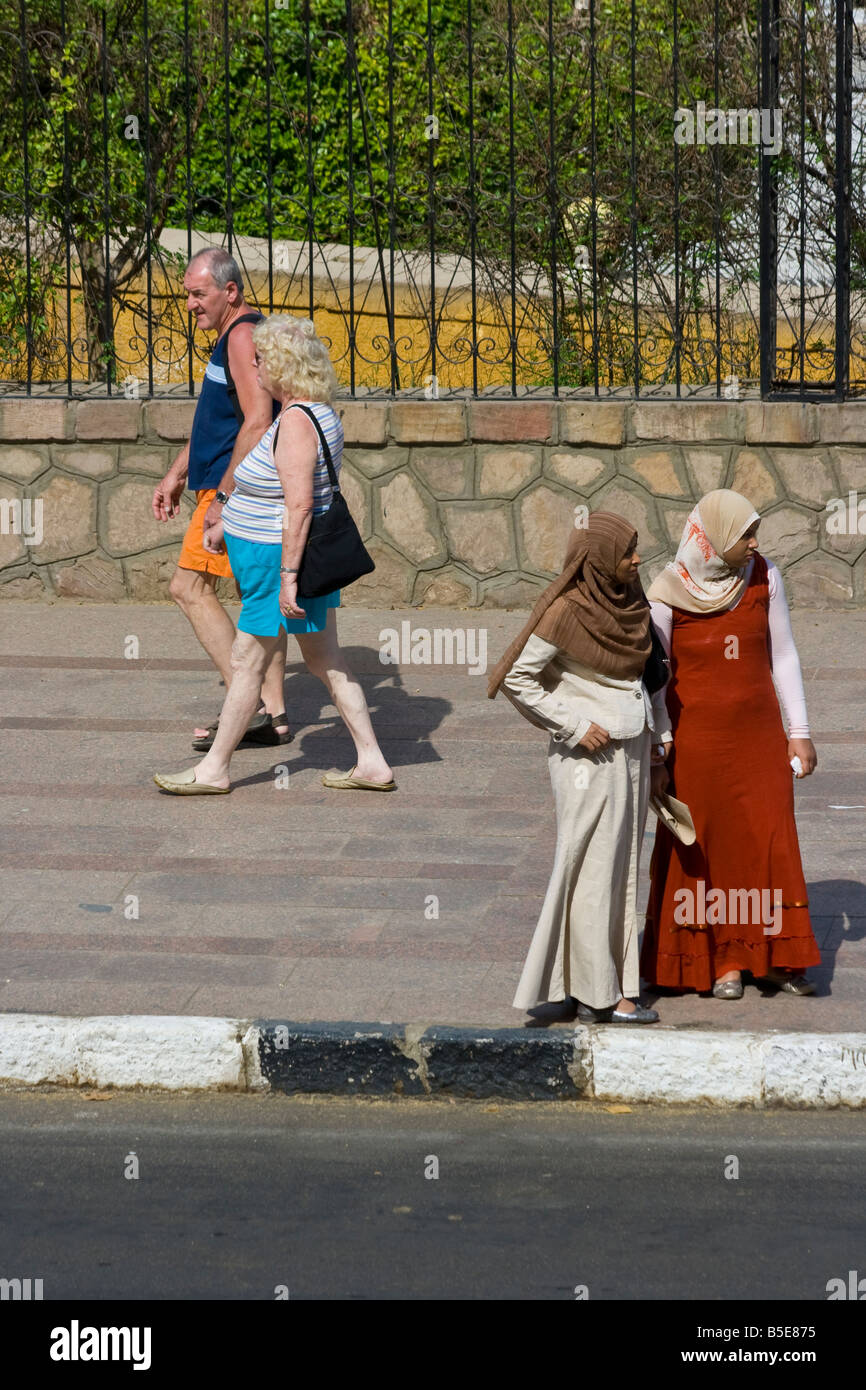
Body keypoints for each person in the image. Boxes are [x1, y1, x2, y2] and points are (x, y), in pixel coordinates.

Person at [153, 314, 395, 796]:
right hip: (280, 560)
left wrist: (287, 578)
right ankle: (371, 762)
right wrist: (226, 518)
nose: (255, 367)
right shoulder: (311, 412)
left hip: (276, 564)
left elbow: (300, 504)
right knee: (326, 660)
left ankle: (214, 769)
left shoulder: (299, 422)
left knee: (247, 660)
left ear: (282, 366)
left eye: (261, 360)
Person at [487, 512, 671, 1024]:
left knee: (611, 869)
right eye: (627, 552)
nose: (636, 559)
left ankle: (577, 985)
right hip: (589, 757)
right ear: (597, 561)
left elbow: (648, 680)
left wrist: (658, 747)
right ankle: (606, 995)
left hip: (631, 750)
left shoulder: (630, 605)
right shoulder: (567, 612)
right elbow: (517, 677)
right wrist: (571, 725)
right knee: (590, 866)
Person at [640, 488, 820, 999]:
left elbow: (783, 656)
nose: (754, 542)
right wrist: (660, 748)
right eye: (744, 534)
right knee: (706, 847)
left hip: (761, 742)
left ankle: (774, 957)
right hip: (696, 746)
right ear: (715, 538)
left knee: (767, 840)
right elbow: (655, 678)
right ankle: (722, 963)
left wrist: (799, 733)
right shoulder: (668, 591)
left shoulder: (766, 576)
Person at [151, 247, 290, 749]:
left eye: (198, 293)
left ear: (230, 291)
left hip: (229, 489)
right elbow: (216, 425)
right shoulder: (234, 336)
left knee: (187, 588)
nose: (190, 304)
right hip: (221, 482)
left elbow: (257, 419)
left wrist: (223, 498)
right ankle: (272, 712)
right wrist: (175, 474)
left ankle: (245, 703)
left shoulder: (241, 336)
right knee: (257, 598)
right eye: (187, 293)